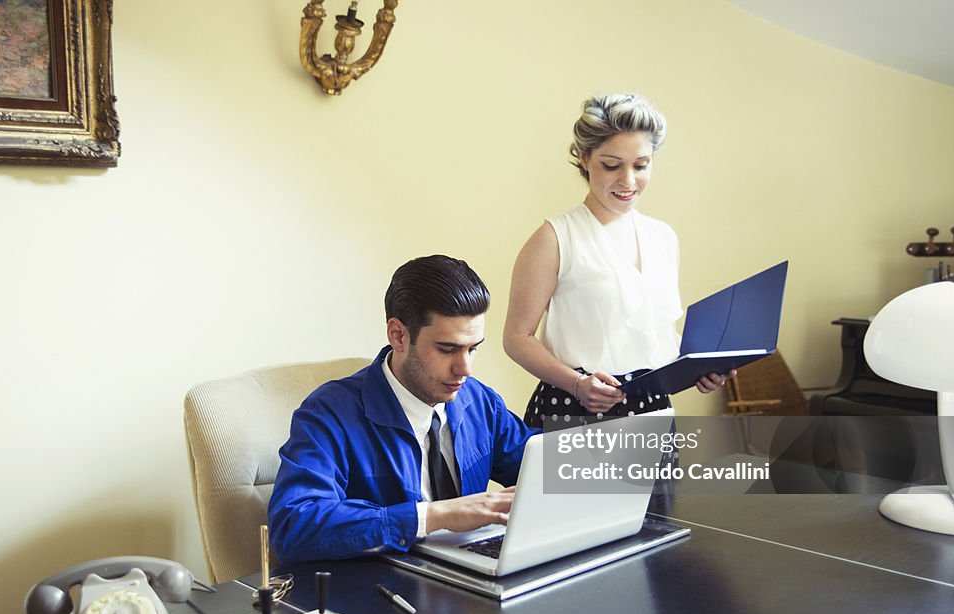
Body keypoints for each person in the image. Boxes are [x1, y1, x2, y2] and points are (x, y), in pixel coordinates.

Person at [268, 255, 537, 565]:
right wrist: (432, 516)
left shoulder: (478, 401)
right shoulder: (328, 414)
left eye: (473, 348)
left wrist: (599, 446)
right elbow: (293, 526)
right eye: (447, 349)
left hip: (473, 587)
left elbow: (545, 464)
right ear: (398, 335)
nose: (465, 368)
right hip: (383, 598)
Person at [503, 93, 733, 428]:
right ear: (584, 158)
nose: (627, 181)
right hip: (576, 406)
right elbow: (516, 338)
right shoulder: (554, 238)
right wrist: (577, 384)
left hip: (653, 407)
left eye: (641, 165)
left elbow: (654, 331)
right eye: (611, 165)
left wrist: (699, 368)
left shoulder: (663, 237)